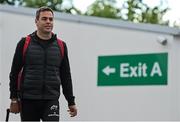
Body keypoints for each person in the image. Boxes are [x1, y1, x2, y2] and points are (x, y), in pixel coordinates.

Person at [9, 6, 77, 121]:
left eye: (51, 19)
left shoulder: (61, 45)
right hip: (28, 100)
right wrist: (14, 99)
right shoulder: (24, 43)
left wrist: (71, 101)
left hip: (51, 100)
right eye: (44, 19)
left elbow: (66, 76)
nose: (48, 22)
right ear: (36, 21)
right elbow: (14, 73)